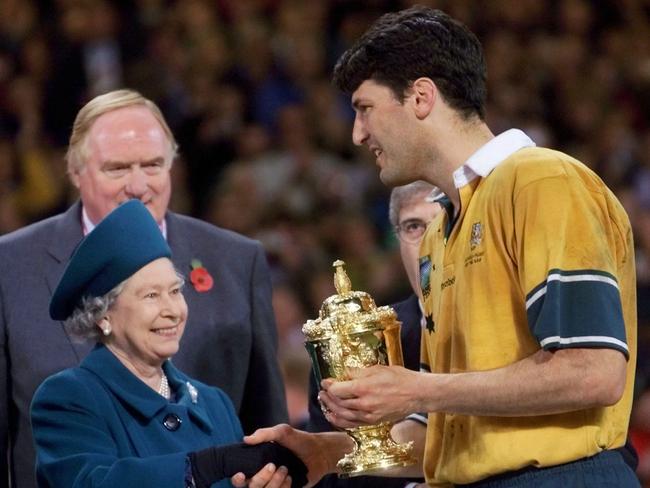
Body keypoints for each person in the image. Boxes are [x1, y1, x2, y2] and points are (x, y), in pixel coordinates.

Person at [243, 6, 639, 487]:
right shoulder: (437, 233)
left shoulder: (542, 181)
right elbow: (447, 432)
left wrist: (420, 389)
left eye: (365, 108)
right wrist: (327, 451)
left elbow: (594, 371)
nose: (357, 133)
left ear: (421, 97)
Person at [0, 89, 287, 488]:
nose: (138, 186)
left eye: (153, 165)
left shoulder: (238, 261)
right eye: (117, 169)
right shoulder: (9, 266)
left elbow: (265, 423)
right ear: (75, 172)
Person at [31, 200, 306, 488]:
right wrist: (197, 469)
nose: (173, 310)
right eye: (151, 295)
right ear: (103, 315)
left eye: (175, 291)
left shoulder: (214, 403)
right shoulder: (70, 397)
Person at [305, 181, 438, 488]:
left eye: (442, 222)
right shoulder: (349, 340)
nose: (431, 240)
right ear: (397, 240)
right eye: (414, 226)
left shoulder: (506, 327)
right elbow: (330, 475)